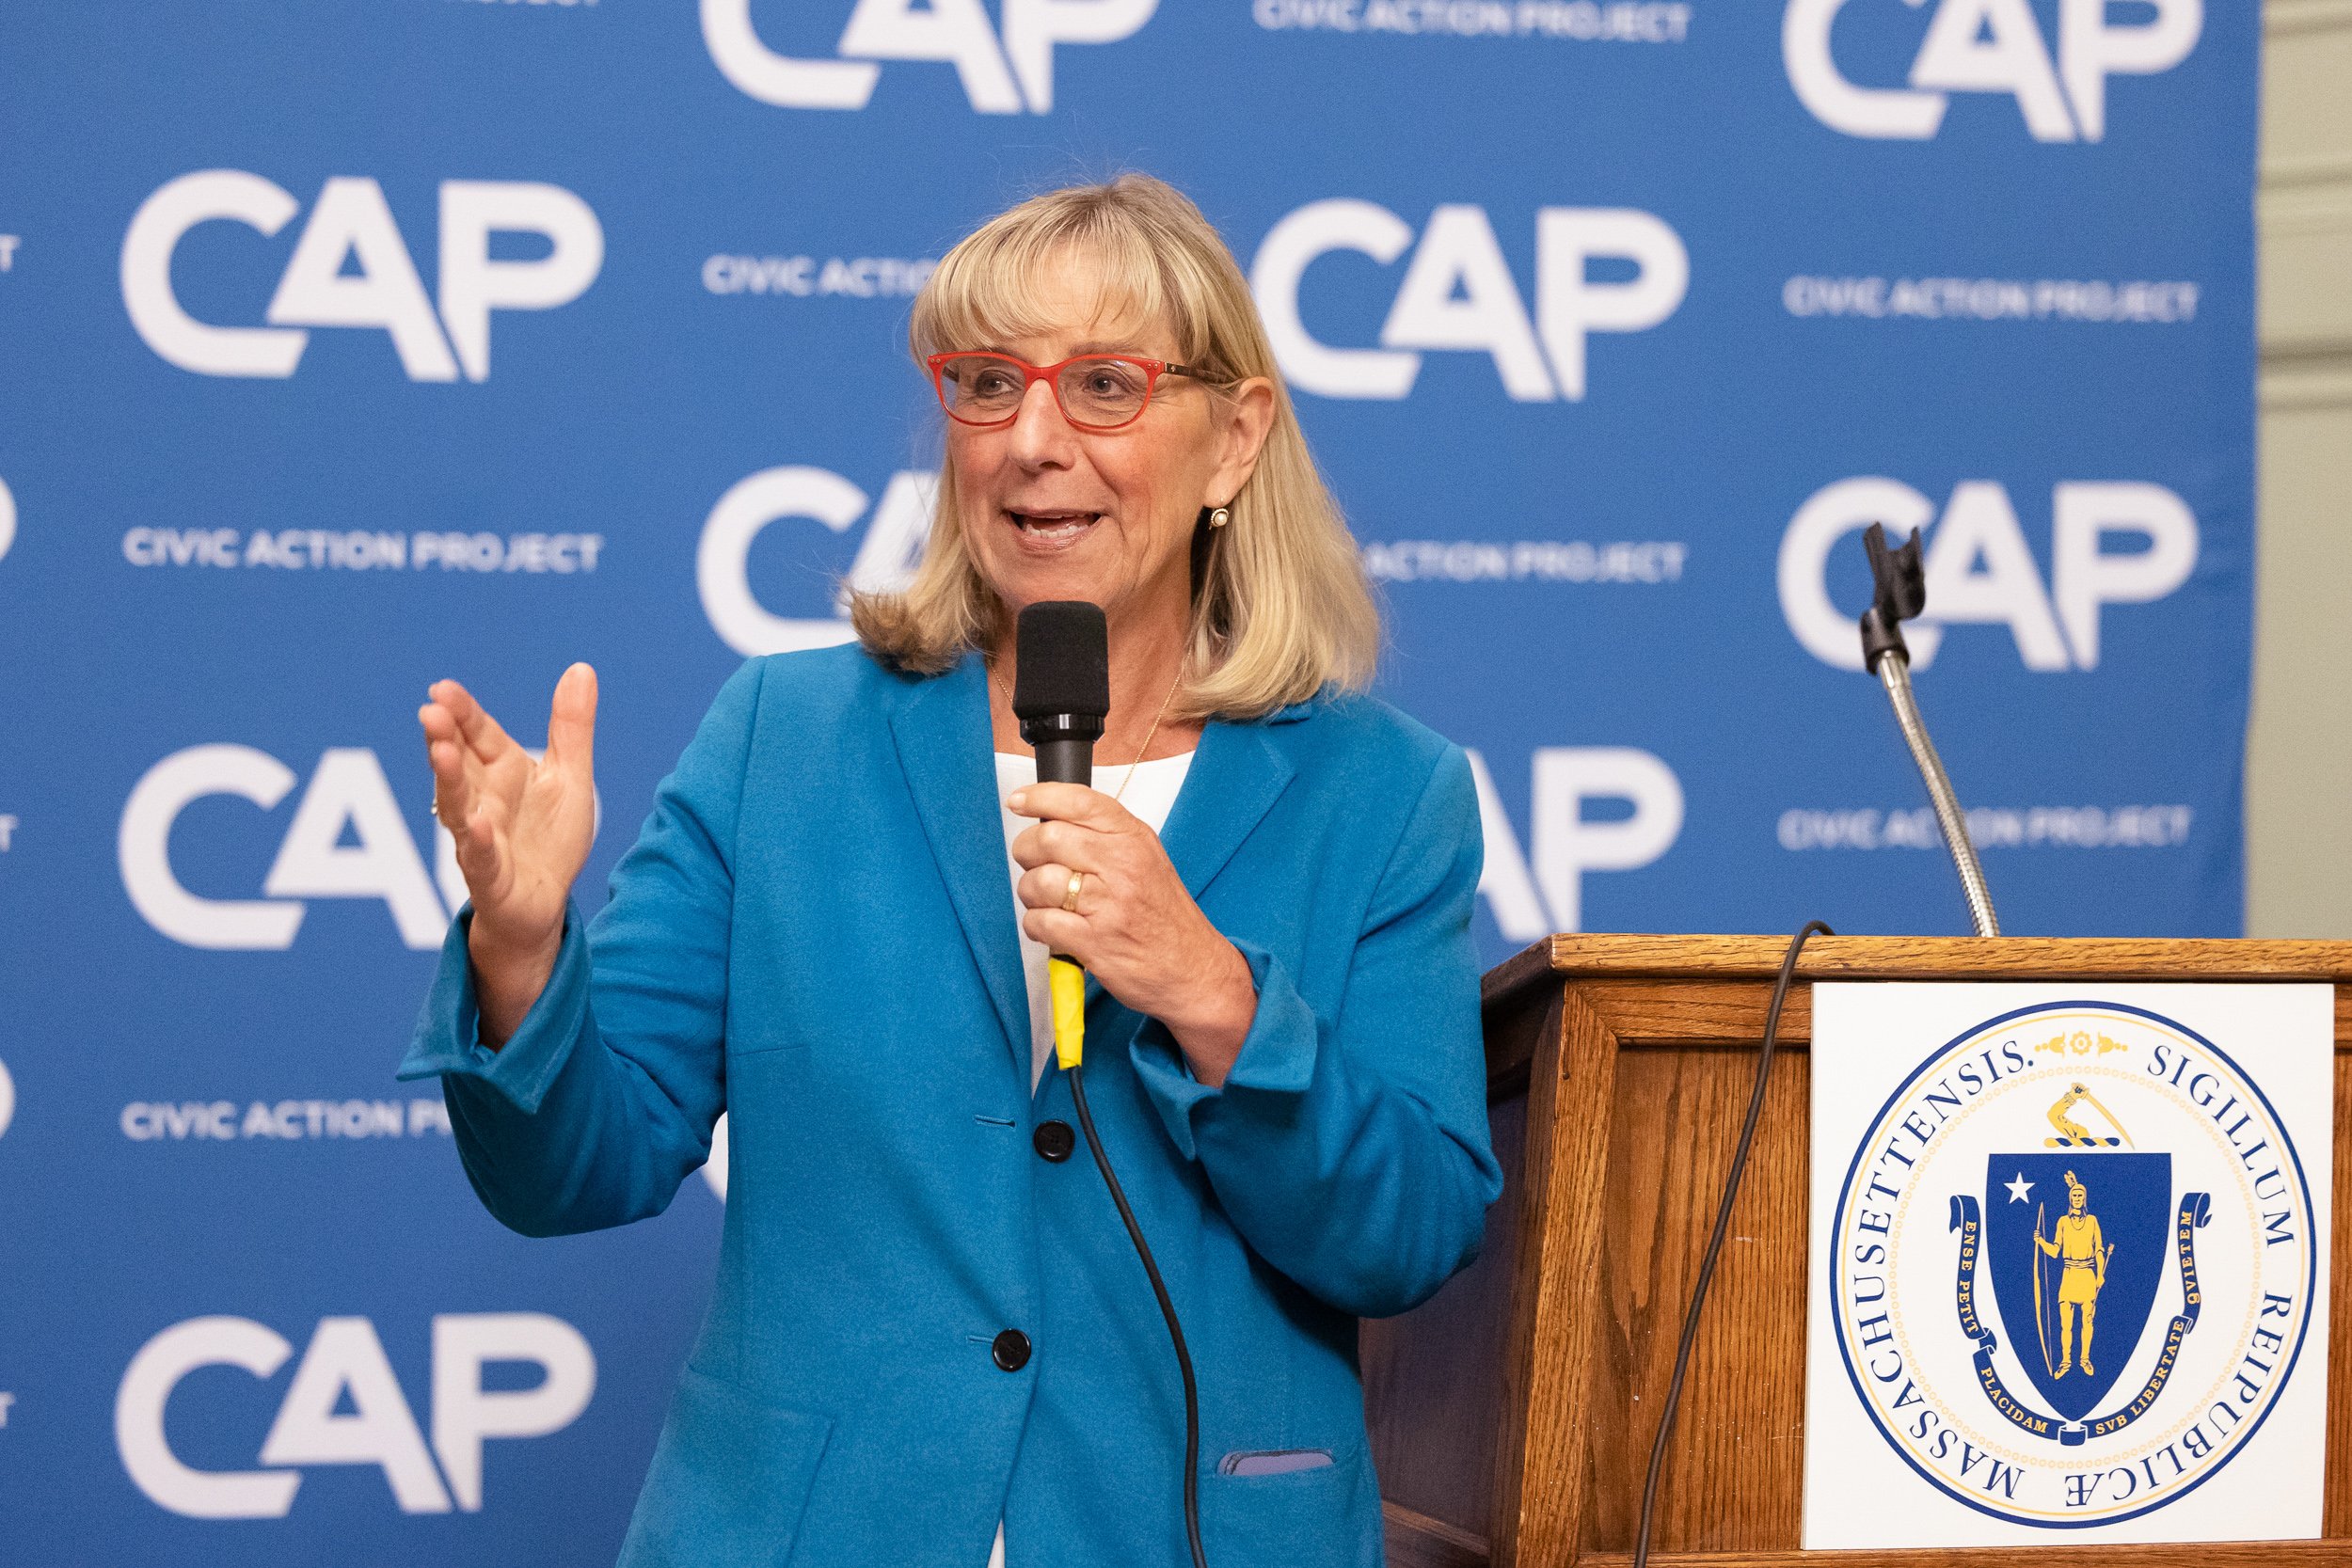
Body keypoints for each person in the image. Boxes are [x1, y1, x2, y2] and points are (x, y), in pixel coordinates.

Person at [399, 173, 1502, 1568]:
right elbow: (576, 1171)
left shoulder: (1382, 795)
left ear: (1234, 440)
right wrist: (518, 949)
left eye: (1103, 386)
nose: (1033, 442)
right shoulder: (785, 738)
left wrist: (1216, 996)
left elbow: (1411, 1237)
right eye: (989, 384)